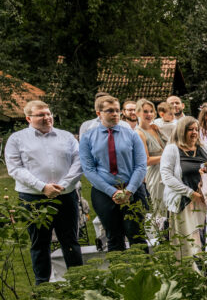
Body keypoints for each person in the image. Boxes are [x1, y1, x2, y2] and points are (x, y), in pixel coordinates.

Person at [4, 100, 83, 283]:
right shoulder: (17, 140)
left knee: (70, 241)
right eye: (41, 115)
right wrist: (42, 187)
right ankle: (43, 285)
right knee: (40, 243)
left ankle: (80, 282)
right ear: (28, 118)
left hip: (65, 196)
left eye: (48, 113)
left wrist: (63, 184)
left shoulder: (66, 137)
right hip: (34, 199)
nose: (47, 117)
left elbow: (78, 163)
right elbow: (15, 169)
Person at [79, 95, 148, 251]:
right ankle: (119, 274)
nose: (115, 114)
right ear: (99, 113)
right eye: (110, 111)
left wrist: (129, 191)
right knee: (114, 236)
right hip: (104, 192)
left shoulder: (131, 134)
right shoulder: (88, 137)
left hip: (133, 189)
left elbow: (141, 165)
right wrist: (112, 192)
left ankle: (144, 273)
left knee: (137, 235)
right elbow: (88, 169)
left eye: (117, 110)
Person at [161, 117, 207, 260]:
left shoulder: (204, 149)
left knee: (206, 237)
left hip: (204, 201)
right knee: (187, 241)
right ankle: (190, 273)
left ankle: (206, 270)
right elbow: (166, 176)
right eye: (190, 129)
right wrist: (190, 193)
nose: (194, 132)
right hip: (184, 201)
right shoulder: (172, 149)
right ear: (181, 131)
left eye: (196, 129)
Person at [135, 99, 168, 224]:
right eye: (145, 112)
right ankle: (162, 239)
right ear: (137, 113)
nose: (149, 114)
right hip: (155, 173)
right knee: (160, 209)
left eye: (151, 111)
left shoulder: (155, 128)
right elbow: (146, 160)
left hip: (167, 169)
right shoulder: (139, 133)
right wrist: (167, 155)